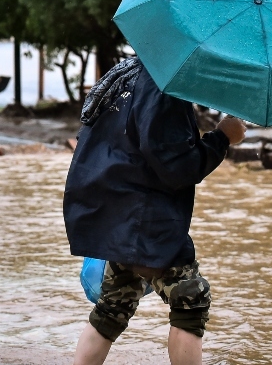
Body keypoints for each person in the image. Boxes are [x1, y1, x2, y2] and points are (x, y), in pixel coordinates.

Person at [63, 57, 247, 365]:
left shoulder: (129, 73)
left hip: (114, 210)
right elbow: (177, 166)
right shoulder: (165, 85)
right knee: (190, 299)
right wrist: (222, 137)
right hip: (144, 219)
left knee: (113, 307)